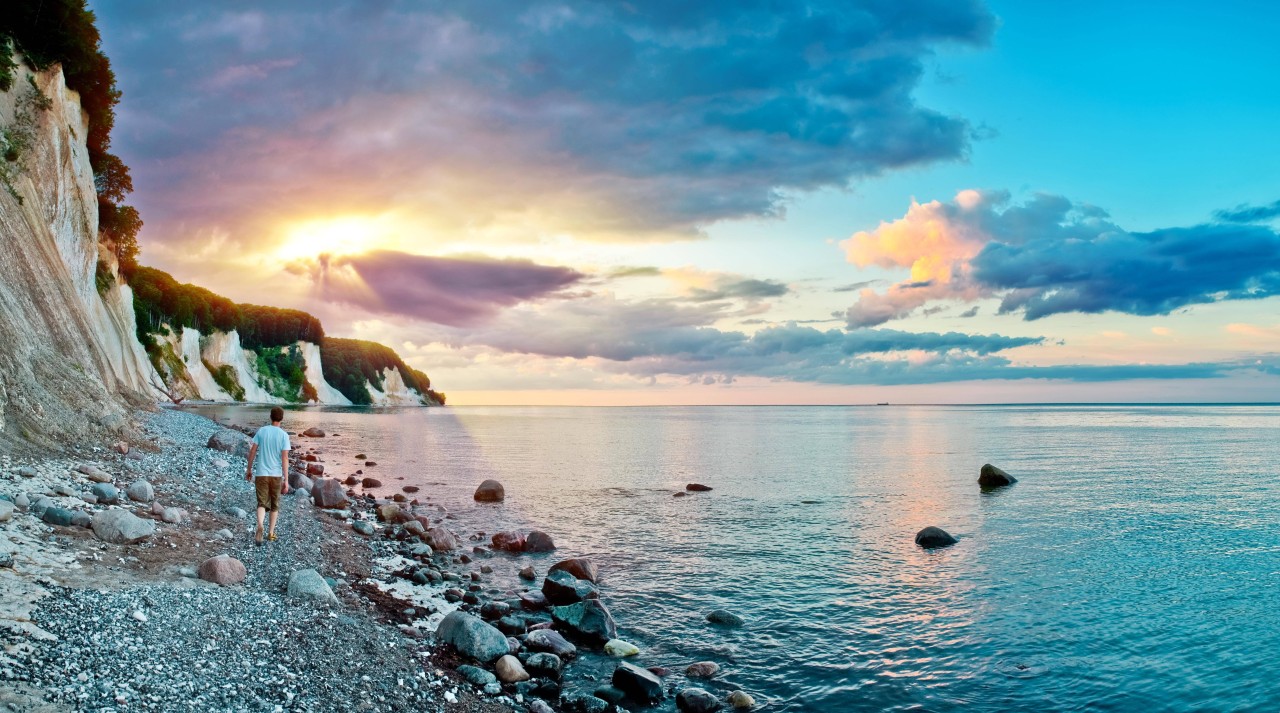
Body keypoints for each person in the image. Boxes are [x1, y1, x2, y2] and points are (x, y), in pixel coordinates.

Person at [245, 406, 291, 544]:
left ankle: (260, 525)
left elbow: (253, 451)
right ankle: (270, 533)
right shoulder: (284, 435)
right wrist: (286, 479)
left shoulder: (262, 431)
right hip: (276, 475)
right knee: (274, 505)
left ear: (270, 417)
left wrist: (249, 469)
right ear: (281, 418)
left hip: (261, 473)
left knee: (262, 502)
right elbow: (285, 458)